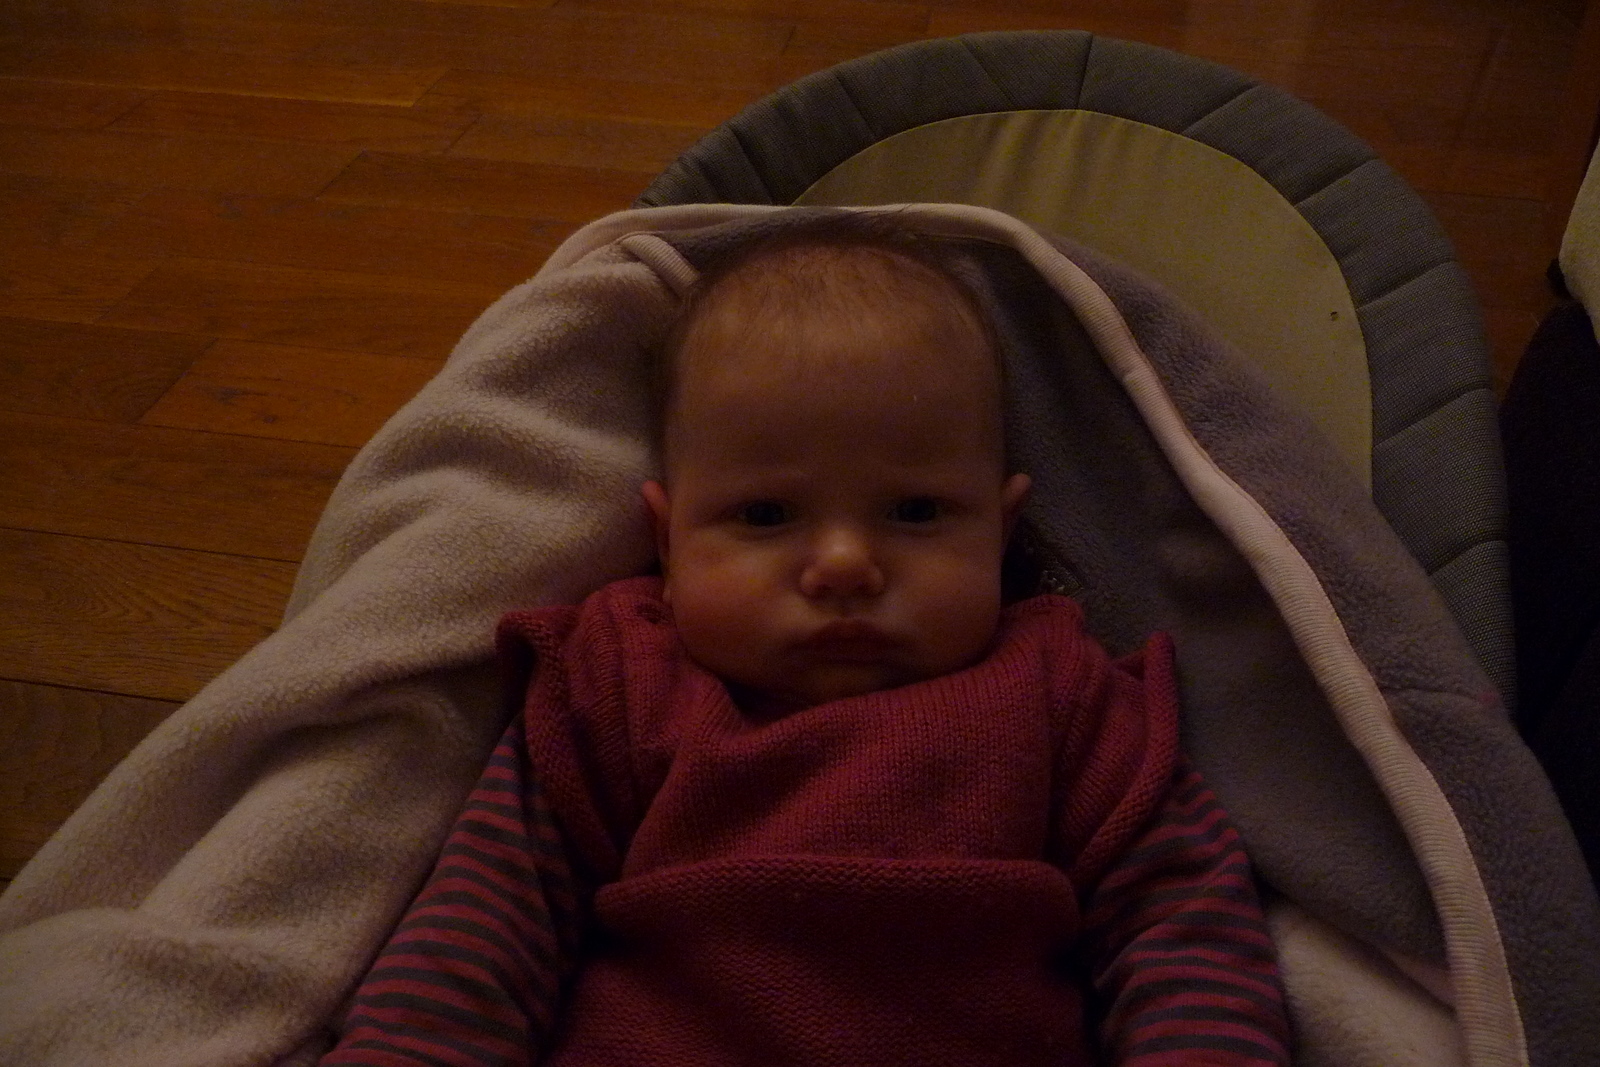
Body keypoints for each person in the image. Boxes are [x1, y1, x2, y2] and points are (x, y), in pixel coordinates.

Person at [319, 215, 1290, 1066]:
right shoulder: (617, 683)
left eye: (915, 511)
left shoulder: (1060, 692)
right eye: (766, 514)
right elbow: (481, 937)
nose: (843, 564)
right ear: (667, 540)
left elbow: (1185, 928)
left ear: (1002, 532)